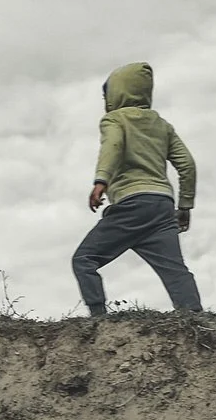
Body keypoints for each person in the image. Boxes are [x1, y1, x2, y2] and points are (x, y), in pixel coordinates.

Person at [73, 62, 202, 316]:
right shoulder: (162, 126)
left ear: (116, 93)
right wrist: (184, 206)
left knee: (84, 260)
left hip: (131, 204)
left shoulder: (114, 119)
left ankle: (98, 321)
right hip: (162, 207)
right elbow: (187, 165)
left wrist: (101, 181)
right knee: (175, 271)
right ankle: (195, 322)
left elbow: (113, 146)